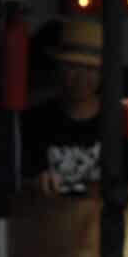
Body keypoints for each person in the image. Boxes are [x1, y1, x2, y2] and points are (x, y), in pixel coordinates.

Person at [22, 15, 105, 193]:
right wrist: (34, 184)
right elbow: (19, 180)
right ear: (58, 68)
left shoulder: (121, 121)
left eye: (91, 69)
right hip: (48, 217)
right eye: (72, 66)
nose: (82, 77)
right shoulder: (34, 121)